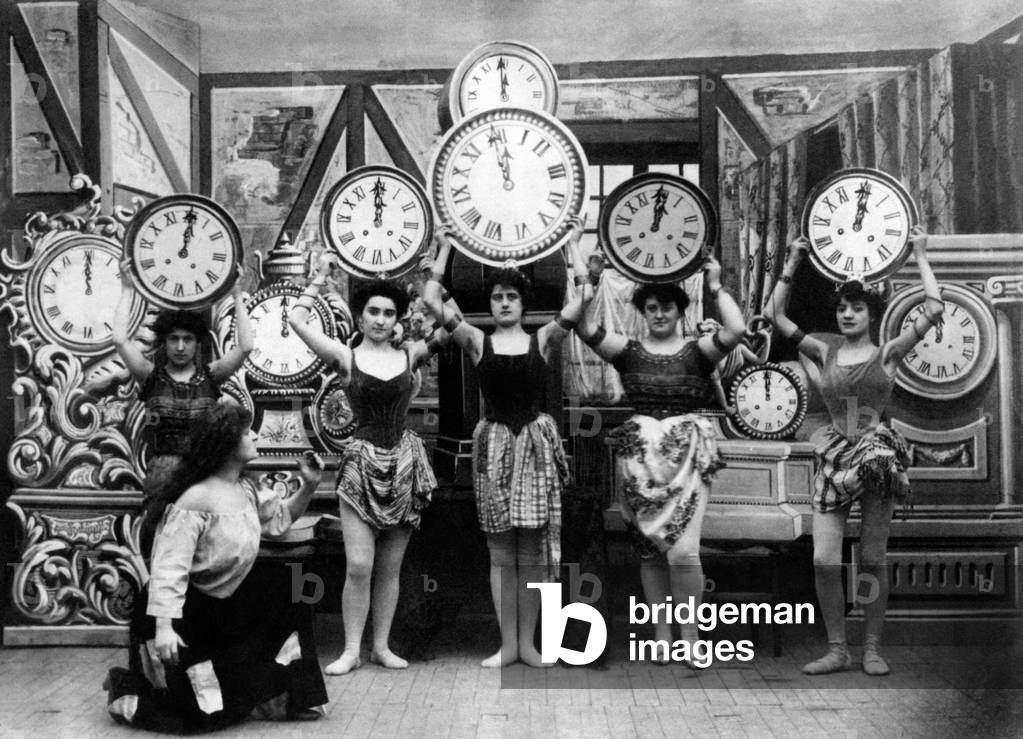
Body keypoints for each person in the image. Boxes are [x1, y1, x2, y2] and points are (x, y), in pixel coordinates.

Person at [763, 226, 943, 676]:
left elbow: (935, 307)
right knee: (824, 558)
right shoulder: (823, 351)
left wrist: (920, 254)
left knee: (871, 558)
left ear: (871, 314)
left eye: (856, 308)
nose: (847, 314)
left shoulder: (887, 354)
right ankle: (837, 648)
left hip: (875, 457)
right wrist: (790, 263)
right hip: (832, 455)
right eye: (842, 308)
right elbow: (774, 316)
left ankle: (872, 648)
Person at [422, 217, 593, 668]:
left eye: (511, 296)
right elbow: (429, 298)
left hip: (534, 448)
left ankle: (530, 645)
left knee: (532, 552)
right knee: (501, 553)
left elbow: (583, 302)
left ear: (522, 302)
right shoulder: (477, 342)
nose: (503, 302)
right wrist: (443, 248)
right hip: (495, 448)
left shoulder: (543, 341)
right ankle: (507, 645)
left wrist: (573, 245)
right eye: (497, 297)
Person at [103, 403, 328, 731]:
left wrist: (308, 485)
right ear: (226, 443)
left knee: (292, 588)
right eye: (245, 432)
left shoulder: (247, 488)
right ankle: (124, 688)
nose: (253, 435)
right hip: (186, 615)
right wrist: (164, 628)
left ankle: (293, 694)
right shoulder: (194, 499)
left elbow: (280, 521)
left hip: (226, 608)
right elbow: (169, 568)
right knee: (200, 718)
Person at [578, 256, 745, 664]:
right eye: (651, 308)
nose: (658, 314)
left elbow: (738, 329)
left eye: (666, 307)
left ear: (679, 310)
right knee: (650, 551)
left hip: (686, 458)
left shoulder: (698, 351)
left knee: (684, 552)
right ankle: (663, 636)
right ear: (643, 312)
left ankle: (690, 637)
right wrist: (593, 278)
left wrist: (716, 285)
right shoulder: (628, 351)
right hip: (640, 463)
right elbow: (581, 327)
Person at [288, 256, 441, 675]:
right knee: (359, 565)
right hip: (360, 463)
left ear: (397, 319)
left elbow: (453, 327)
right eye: (373, 311)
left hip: (404, 463)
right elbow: (297, 320)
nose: (380, 319)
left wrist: (434, 273)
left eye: (388, 312)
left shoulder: (410, 355)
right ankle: (350, 650)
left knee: (390, 568)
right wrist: (320, 276)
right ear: (360, 315)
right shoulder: (347, 356)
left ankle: (381, 646)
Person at [112, 263, 253, 536]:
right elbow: (120, 339)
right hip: (162, 476)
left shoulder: (211, 376)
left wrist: (236, 295)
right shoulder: (150, 376)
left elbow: (246, 346)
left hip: (204, 474)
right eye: (173, 339)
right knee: (161, 542)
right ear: (164, 343)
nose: (179, 346)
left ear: (196, 343)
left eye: (187, 340)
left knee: (204, 541)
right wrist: (127, 289)